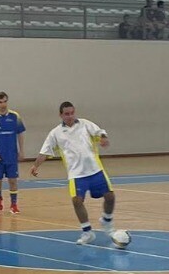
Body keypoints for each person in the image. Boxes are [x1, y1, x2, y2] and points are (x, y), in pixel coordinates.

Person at [30, 102, 120, 246]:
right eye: (67, 114)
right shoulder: (55, 133)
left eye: (72, 113)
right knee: (77, 201)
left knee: (110, 196)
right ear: (61, 115)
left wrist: (103, 138)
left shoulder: (85, 124)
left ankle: (107, 221)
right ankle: (87, 232)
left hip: (95, 170)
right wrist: (35, 165)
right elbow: (45, 151)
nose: (70, 116)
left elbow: (100, 132)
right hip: (76, 174)